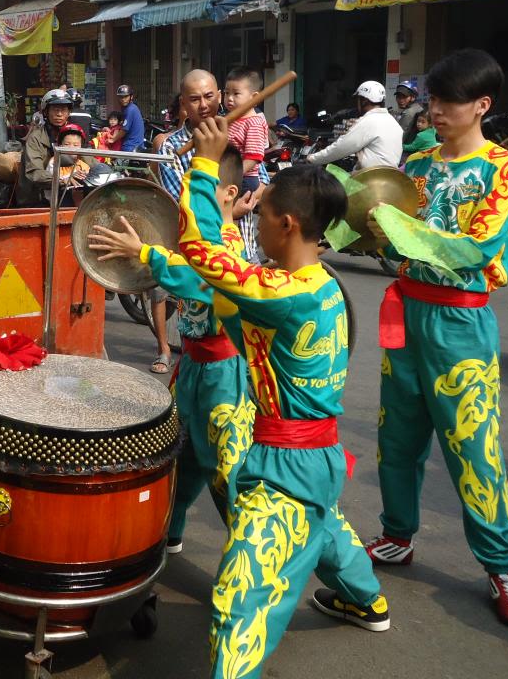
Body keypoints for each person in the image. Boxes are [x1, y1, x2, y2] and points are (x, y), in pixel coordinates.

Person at [179, 120, 389, 676]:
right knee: (323, 529)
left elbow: (200, 258)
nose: (257, 219)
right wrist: (227, 223)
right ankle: (365, 600)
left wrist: (202, 164)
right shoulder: (321, 286)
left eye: (263, 213)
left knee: (240, 599)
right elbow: (238, 279)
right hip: (314, 457)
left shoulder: (281, 295)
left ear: (288, 223)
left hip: (283, 466)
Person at [365, 48, 508, 626]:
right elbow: (376, 236)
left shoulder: (502, 168)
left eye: (446, 101)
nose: (433, 110)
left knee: (474, 448)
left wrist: (393, 229)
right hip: (405, 312)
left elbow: (476, 247)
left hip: (461, 323)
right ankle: (397, 535)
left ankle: (499, 565)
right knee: (398, 437)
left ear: (481, 105)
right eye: (431, 100)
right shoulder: (415, 164)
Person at [87, 144, 252, 556]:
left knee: (231, 475)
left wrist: (143, 252)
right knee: (178, 457)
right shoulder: (201, 243)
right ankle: (166, 531)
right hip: (193, 367)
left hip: (224, 376)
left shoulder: (228, 247)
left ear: (226, 194)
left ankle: (257, 561)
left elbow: (201, 283)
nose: (185, 204)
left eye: (197, 192)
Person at [151, 69, 223, 375]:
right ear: (184, 103)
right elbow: (183, 200)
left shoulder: (235, 132)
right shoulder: (171, 147)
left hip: (238, 243)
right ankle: (169, 352)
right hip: (195, 249)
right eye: (194, 99)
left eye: (209, 96)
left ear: (219, 96)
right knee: (193, 322)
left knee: (234, 328)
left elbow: (258, 180)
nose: (203, 105)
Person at [223, 66, 271, 263]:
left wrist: (231, 174)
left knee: (235, 226)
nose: (229, 99)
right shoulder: (232, 119)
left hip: (244, 179)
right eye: (226, 93)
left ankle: (247, 262)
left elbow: (253, 157)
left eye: (236, 94)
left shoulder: (253, 122)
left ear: (254, 97)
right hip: (232, 177)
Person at [308, 81, 403, 170]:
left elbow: (341, 148)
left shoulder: (368, 121)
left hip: (371, 178)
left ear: (364, 101)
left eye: (358, 99)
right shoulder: (392, 121)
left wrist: (312, 159)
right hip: (391, 177)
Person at [14, 89, 74, 208]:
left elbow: (88, 157)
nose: (59, 114)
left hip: (68, 193)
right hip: (36, 197)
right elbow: (35, 173)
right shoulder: (35, 138)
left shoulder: (73, 135)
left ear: (68, 113)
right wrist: (62, 180)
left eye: (63, 110)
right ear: (46, 112)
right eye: (55, 110)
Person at [117, 83, 145, 153]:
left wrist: (112, 139)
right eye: (121, 97)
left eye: (126, 97)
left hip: (130, 147)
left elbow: (124, 130)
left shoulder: (130, 109)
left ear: (131, 97)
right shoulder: (131, 108)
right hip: (137, 146)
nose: (123, 99)